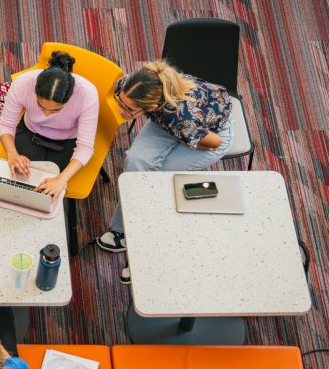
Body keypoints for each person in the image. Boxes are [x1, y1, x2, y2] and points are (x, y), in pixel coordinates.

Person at [97, 60, 234, 253]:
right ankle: (123, 227)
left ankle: (131, 231)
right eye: (121, 102)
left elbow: (215, 143)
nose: (121, 111)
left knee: (152, 178)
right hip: (172, 124)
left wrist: (187, 139)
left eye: (128, 110)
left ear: (151, 108)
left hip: (210, 135)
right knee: (136, 164)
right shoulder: (128, 85)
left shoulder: (180, 119)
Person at [0, 51, 99, 197]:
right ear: (35, 91)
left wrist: (61, 179)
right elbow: (6, 125)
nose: (46, 114)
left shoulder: (87, 94)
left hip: (68, 139)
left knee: (49, 190)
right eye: (41, 106)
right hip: (31, 131)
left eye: (56, 110)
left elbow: (85, 147)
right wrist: (12, 154)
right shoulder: (23, 83)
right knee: (22, 182)